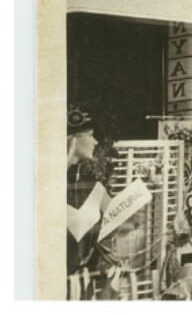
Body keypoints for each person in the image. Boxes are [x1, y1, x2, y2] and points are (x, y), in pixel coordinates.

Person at [67, 105, 108, 299]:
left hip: (83, 286)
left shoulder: (93, 187)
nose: (95, 141)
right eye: (90, 135)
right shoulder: (43, 183)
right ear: (73, 139)